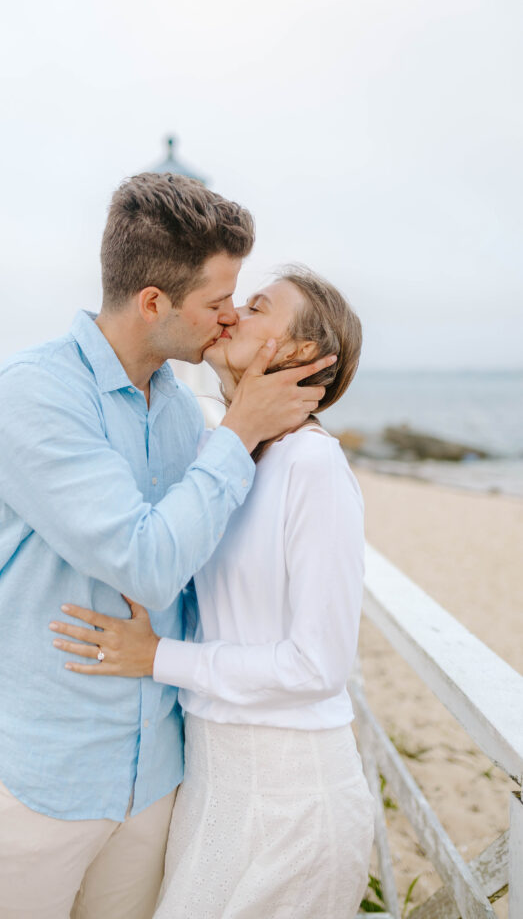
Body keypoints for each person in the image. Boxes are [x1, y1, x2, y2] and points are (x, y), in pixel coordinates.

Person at [0, 174, 335, 919]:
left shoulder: (181, 411)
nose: (226, 319)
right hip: (39, 770)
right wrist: (242, 428)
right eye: (216, 303)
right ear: (153, 302)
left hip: (153, 775)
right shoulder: (36, 394)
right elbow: (145, 562)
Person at [50, 265, 375, 919]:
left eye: (256, 307)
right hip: (211, 778)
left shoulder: (311, 465)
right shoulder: (221, 453)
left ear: (300, 353)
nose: (230, 315)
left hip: (289, 792)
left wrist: (155, 657)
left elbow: (318, 665)